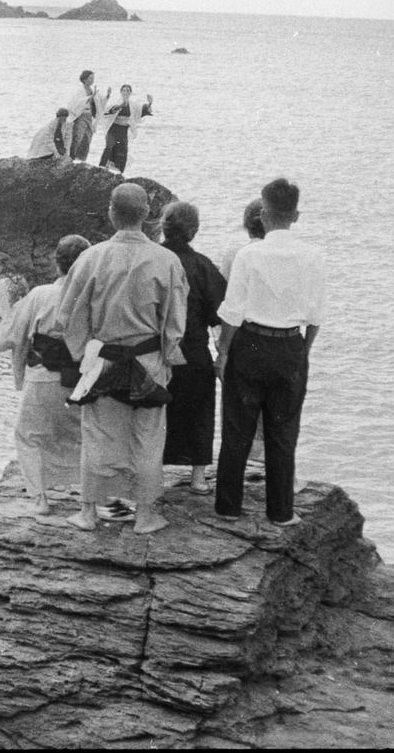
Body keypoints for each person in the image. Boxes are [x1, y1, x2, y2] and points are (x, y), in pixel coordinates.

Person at [50, 183, 187, 534]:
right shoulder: (166, 260)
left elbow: (67, 316)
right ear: (147, 215)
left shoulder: (91, 258)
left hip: (104, 359)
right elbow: (174, 322)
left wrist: (84, 353)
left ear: (112, 212)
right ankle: (144, 516)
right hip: (148, 360)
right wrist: (169, 357)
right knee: (147, 438)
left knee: (97, 435)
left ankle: (88, 512)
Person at [214, 178, 326, 527]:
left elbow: (232, 312)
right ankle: (280, 511)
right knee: (283, 431)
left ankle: (228, 507)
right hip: (290, 344)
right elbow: (316, 316)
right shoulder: (313, 256)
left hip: (249, 341)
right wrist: (300, 351)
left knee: (237, 429)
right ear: (296, 214)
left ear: (263, 214)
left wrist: (224, 354)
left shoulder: (249, 255)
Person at [0, 235, 90, 514]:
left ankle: (41, 499)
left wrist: (7, 314)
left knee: (29, 436)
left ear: (57, 263)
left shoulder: (40, 294)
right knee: (82, 437)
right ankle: (88, 495)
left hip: (44, 376)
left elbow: (9, 337)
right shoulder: (93, 296)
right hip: (84, 379)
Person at [159, 202, 227, 494]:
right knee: (200, 411)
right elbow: (219, 313)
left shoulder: (153, 259)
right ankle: (198, 478)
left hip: (157, 350)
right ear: (194, 230)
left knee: (156, 415)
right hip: (193, 349)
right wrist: (223, 352)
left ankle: (154, 475)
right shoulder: (202, 265)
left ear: (163, 226)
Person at [214, 198, 267, 465]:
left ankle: (243, 465)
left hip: (240, 338)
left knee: (237, 411)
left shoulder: (235, 254)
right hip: (279, 339)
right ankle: (265, 465)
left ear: (247, 225)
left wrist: (220, 346)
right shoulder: (288, 254)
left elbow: (224, 302)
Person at [98, 85, 154, 173]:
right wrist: (121, 105)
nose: (126, 92)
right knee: (109, 146)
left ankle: (119, 170)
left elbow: (141, 111)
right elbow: (110, 110)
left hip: (123, 130)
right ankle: (101, 167)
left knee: (123, 150)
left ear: (130, 93)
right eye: (124, 90)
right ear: (121, 92)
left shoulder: (133, 105)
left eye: (128, 91)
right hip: (113, 129)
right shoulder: (116, 101)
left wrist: (150, 103)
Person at [66, 70, 110, 162]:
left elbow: (101, 102)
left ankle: (81, 160)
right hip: (80, 116)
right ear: (84, 79)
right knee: (78, 137)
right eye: (90, 78)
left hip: (90, 117)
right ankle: (72, 158)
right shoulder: (79, 90)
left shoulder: (93, 90)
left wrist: (108, 95)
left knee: (87, 138)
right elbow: (75, 104)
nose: (92, 80)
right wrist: (89, 97)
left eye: (93, 78)